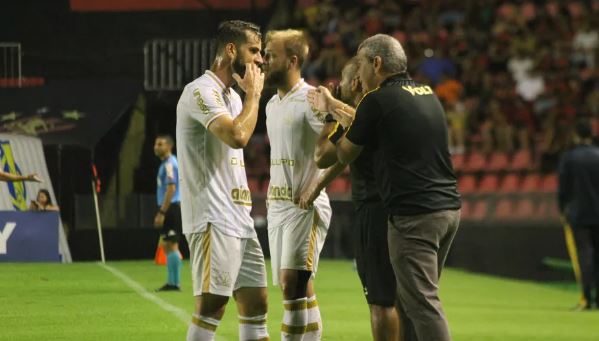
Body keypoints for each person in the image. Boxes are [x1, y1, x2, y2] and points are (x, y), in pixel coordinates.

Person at [335, 34, 461, 341]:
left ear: (376, 63)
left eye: (361, 63)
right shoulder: (426, 92)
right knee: (407, 300)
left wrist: (331, 113)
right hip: (448, 210)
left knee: (422, 303)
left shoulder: (376, 100)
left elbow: (343, 153)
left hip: (413, 214)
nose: (359, 72)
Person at [176, 20, 269, 341]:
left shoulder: (232, 97)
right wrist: (254, 97)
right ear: (231, 49)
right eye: (254, 51)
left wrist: (248, 98)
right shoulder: (200, 91)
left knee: (257, 304)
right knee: (212, 306)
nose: (260, 59)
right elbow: (237, 136)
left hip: (239, 219)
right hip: (212, 218)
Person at [302, 58, 402, 341]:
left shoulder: (367, 111)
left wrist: (329, 113)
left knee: (381, 300)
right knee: (403, 298)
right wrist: (318, 187)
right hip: (402, 209)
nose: (340, 87)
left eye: (343, 82)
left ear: (355, 82)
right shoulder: (388, 105)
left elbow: (323, 156)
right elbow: (345, 156)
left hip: (374, 209)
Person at [262, 29, 331, 340]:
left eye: (270, 55)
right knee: (299, 286)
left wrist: (316, 186)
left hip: (305, 207)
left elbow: (338, 147)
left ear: (291, 61)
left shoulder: (310, 99)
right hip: (277, 207)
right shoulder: (271, 105)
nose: (263, 61)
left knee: (291, 283)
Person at [558, 119, 599, 311]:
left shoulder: (570, 157)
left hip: (579, 213)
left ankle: (586, 298)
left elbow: (563, 189)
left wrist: (562, 209)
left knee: (584, 255)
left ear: (576, 134)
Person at [153, 134, 184, 291]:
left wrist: (162, 212)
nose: (156, 147)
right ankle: (172, 282)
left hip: (171, 208)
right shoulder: (166, 163)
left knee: (171, 245)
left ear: (169, 146)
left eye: (160, 144)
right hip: (170, 207)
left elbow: (171, 188)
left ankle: (175, 283)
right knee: (168, 245)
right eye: (156, 144)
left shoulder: (170, 164)